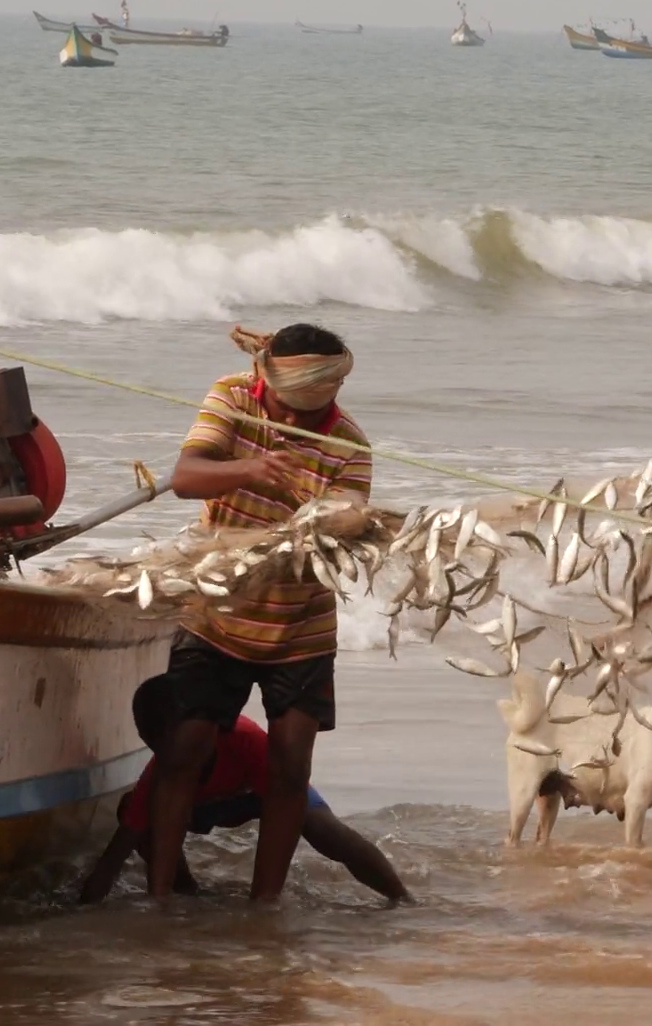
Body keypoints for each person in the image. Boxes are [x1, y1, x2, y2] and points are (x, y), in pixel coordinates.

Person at [149, 324, 372, 902]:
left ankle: (264, 907)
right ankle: (159, 900)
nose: (294, 418)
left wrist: (336, 520)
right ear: (264, 379)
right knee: (184, 748)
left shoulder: (350, 445)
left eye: (309, 407)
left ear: (335, 389)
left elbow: (348, 529)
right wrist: (248, 470)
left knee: (291, 766)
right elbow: (186, 478)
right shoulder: (231, 397)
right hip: (214, 611)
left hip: (300, 625)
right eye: (286, 404)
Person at [80, 676, 412, 905]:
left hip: (258, 794)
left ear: (207, 728)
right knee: (132, 812)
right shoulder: (161, 776)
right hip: (199, 807)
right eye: (161, 750)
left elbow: (288, 797)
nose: (177, 759)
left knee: (322, 827)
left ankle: (401, 897)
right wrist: (83, 913)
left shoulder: (244, 740)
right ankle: (189, 894)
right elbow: (114, 856)